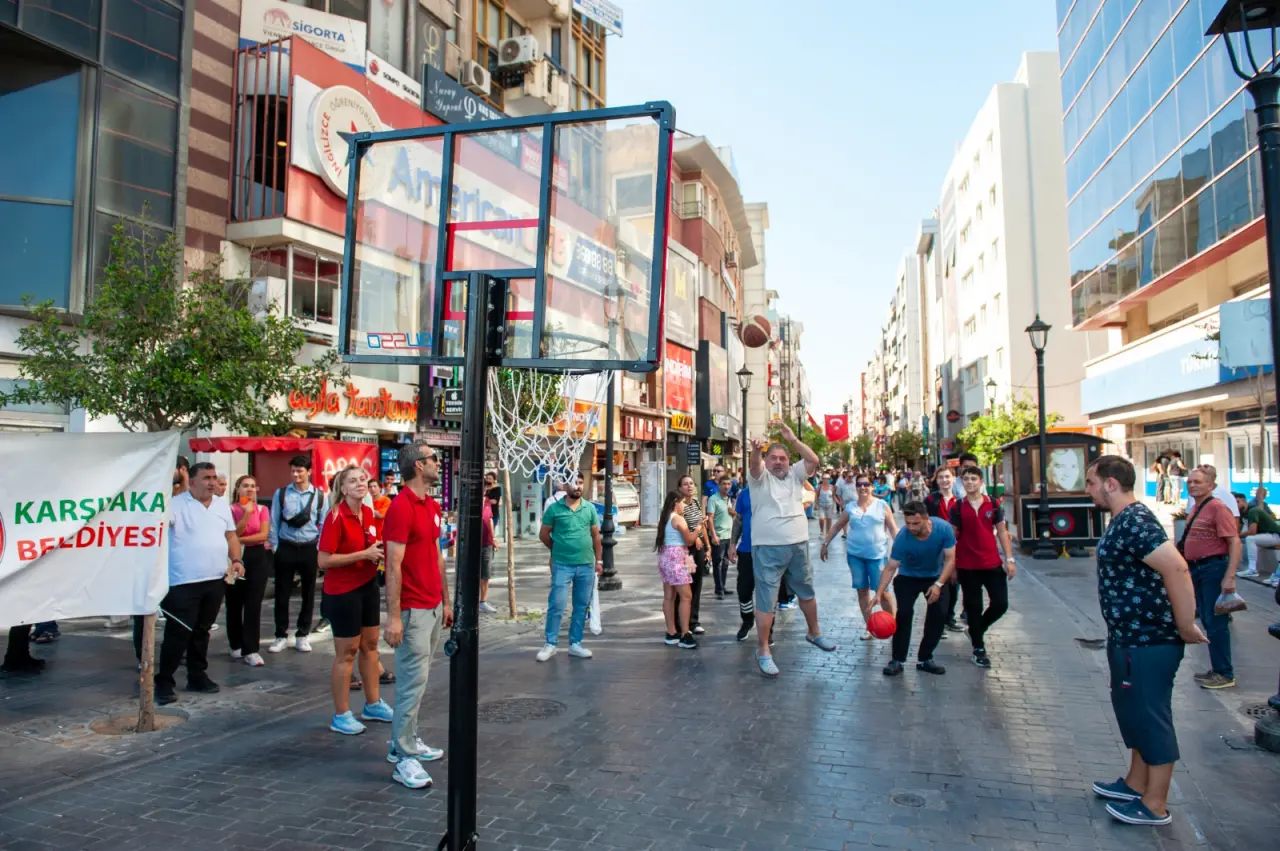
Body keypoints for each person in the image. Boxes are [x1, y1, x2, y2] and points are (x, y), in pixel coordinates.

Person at [1084, 455, 1206, 826]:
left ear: (1110, 483)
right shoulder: (1124, 520)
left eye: (1091, 482)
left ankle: (1155, 803)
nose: (1086, 489)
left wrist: (1185, 624)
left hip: (1149, 639)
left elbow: (1176, 566)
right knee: (1134, 712)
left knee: (1151, 716)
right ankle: (1136, 783)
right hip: (1128, 637)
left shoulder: (1135, 520)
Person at [382, 442, 449, 788]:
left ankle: (404, 742)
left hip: (433, 605)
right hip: (412, 609)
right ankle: (404, 757)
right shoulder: (400, 507)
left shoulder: (431, 505)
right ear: (419, 466)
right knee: (410, 683)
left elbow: (437, 557)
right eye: (434, 459)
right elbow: (392, 566)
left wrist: (447, 601)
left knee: (419, 681)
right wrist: (393, 617)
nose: (439, 463)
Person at [747, 423, 838, 678]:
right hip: (767, 548)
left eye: (783, 458)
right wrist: (756, 451)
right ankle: (763, 650)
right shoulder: (759, 478)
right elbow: (755, 465)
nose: (778, 462)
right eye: (773, 458)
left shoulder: (796, 475)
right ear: (767, 461)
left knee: (806, 591)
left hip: (798, 545)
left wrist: (793, 440)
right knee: (767, 600)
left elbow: (813, 459)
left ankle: (814, 633)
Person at [156, 463, 243, 705]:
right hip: (182, 581)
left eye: (214, 477)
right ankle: (164, 680)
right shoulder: (175, 505)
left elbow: (231, 535)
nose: (212, 482)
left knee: (202, 631)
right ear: (192, 481)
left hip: (215, 580)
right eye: (206, 478)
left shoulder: (220, 505)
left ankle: (197, 675)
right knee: (178, 632)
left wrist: (236, 559)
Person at [317, 466, 392, 735]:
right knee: (346, 652)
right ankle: (341, 714)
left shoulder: (369, 513)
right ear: (343, 488)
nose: (361, 483)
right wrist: (364, 554)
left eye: (363, 479)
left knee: (371, 646)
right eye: (353, 481)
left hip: (367, 587)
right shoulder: (335, 516)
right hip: (342, 592)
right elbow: (324, 560)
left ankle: (373, 703)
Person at [874, 501, 955, 676]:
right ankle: (897, 660)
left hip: (935, 576)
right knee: (903, 614)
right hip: (908, 577)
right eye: (908, 523)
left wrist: (939, 585)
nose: (911, 527)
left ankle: (925, 659)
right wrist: (879, 593)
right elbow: (890, 567)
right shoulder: (903, 537)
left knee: (938, 615)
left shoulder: (943, 529)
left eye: (916, 523)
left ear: (927, 519)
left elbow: (950, 560)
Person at [1180, 466, 1240, 690]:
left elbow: (1234, 542)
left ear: (1211, 486)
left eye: (1197, 482)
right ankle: (1217, 669)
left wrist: (1229, 577)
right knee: (1206, 619)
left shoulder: (1217, 507)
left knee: (1216, 623)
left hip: (1213, 568)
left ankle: (1225, 673)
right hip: (1198, 569)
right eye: (1190, 482)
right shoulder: (1197, 507)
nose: (1192, 485)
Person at [950, 466, 1016, 669]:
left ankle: (977, 629)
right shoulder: (958, 507)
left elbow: (1002, 532)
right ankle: (978, 649)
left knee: (1000, 604)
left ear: (981, 482)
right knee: (974, 607)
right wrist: (951, 566)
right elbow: (952, 538)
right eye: (966, 479)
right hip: (967, 565)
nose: (970, 482)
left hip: (992, 563)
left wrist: (1010, 559)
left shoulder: (994, 505)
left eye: (973, 479)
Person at [820, 473, 897, 639]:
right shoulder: (850, 508)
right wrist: (825, 544)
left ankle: (892, 624)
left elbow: (893, 529)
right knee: (862, 592)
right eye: (859, 484)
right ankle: (870, 626)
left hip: (877, 556)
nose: (863, 487)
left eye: (866, 484)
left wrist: (902, 550)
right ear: (856, 487)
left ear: (872, 487)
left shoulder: (882, 505)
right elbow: (837, 526)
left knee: (882, 592)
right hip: (855, 556)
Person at [536, 472, 603, 661]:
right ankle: (550, 643)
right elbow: (544, 534)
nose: (578, 486)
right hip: (562, 564)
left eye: (581, 483)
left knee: (581, 606)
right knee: (557, 604)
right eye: (575, 483)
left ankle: (576, 643)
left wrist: (599, 561)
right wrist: (556, 548)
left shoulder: (589, 508)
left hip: (586, 564)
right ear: (565, 486)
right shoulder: (554, 509)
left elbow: (596, 536)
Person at [267, 454, 328, 654]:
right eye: (293, 470)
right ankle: (280, 635)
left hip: (310, 546)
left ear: (309, 471)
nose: (296, 474)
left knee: (308, 593)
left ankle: (302, 634)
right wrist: (275, 546)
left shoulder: (320, 496)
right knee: (282, 593)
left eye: (300, 471)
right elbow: (274, 520)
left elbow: (324, 524)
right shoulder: (282, 493)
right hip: (286, 545)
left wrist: (319, 548)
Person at [227, 475, 272, 667]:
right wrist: (245, 515)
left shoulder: (262, 509)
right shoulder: (230, 510)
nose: (250, 489)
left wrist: (239, 540)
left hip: (257, 556)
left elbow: (263, 535)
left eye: (253, 486)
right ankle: (235, 643)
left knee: (254, 604)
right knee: (234, 602)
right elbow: (232, 534)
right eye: (245, 486)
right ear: (238, 489)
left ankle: (251, 648)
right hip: (234, 556)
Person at [655, 490, 699, 649]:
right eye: (682, 503)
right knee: (686, 596)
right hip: (677, 557)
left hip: (666, 557)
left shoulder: (665, 518)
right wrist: (699, 528)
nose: (683, 506)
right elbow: (689, 540)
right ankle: (685, 634)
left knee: (669, 596)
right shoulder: (678, 519)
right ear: (676, 503)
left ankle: (671, 632)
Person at [925, 467, 963, 633]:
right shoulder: (931, 500)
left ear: (953, 479)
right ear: (937, 480)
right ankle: (937, 623)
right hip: (937, 548)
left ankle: (949, 617)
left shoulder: (960, 501)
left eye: (947, 477)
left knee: (954, 584)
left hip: (956, 546)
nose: (945, 480)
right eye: (941, 477)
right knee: (939, 583)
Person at [678, 475, 712, 633]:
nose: (689, 486)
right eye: (685, 484)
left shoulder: (696, 503)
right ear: (680, 488)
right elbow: (680, 529)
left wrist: (707, 545)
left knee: (697, 584)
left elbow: (702, 525)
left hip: (698, 548)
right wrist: (693, 539)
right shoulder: (679, 506)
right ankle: (682, 622)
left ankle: (694, 620)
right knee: (686, 585)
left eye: (691, 483)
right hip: (687, 550)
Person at [1241, 488, 1280, 581]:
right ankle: (1276, 576)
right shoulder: (1252, 507)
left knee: (1250, 539)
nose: (1263, 496)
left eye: (1264, 494)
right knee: (1248, 539)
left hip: (1275, 535)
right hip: (1269, 535)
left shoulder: (1254, 509)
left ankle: (1252, 569)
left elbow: (1252, 531)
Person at [706, 476, 735, 600]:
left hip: (729, 536)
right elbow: (710, 519)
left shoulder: (729, 499)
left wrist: (733, 512)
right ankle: (718, 590)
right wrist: (713, 535)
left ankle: (722, 587)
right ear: (719, 485)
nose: (726, 486)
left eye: (728, 484)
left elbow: (732, 515)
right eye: (724, 484)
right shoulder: (713, 499)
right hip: (719, 535)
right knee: (717, 564)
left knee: (725, 563)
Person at [478, 498, 499, 614]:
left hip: (487, 543)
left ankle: (483, 601)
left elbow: (490, 520)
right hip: (473, 543)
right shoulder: (470, 502)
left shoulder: (487, 502)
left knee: (486, 573)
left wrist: (494, 538)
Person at [485, 471, 503, 542]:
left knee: (491, 531)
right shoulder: (484, 488)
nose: (488, 480)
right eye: (487, 478)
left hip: (493, 514)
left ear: (494, 480)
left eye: (490, 479)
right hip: (485, 514)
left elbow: (495, 501)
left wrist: (486, 500)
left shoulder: (497, 488)